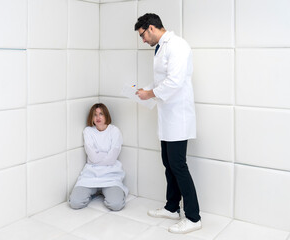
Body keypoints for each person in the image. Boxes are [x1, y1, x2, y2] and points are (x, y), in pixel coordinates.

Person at [134, 13, 201, 234]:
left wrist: (151, 93)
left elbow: (175, 81)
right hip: (167, 117)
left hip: (178, 118)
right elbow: (161, 81)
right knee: (168, 163)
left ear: (151, 28)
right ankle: (172, 207)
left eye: (143, 35)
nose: (143, 40)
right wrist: (144, 92)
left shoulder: (177, 45)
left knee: (178, 166)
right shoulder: (161, 47)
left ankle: (193, 217)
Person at [69, 103, 128, 211]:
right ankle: (95, 191)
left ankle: (106, 191)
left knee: (116, 205)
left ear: (106, 115)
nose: (98, 117)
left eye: (101, 114)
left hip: (110, 174)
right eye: (95, 115)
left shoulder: (114, 131)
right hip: (91, 174)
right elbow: (92, 156)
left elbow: (112, 158)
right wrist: (103, 155)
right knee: (75, 203)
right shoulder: (88, 131)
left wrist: (98, 156)